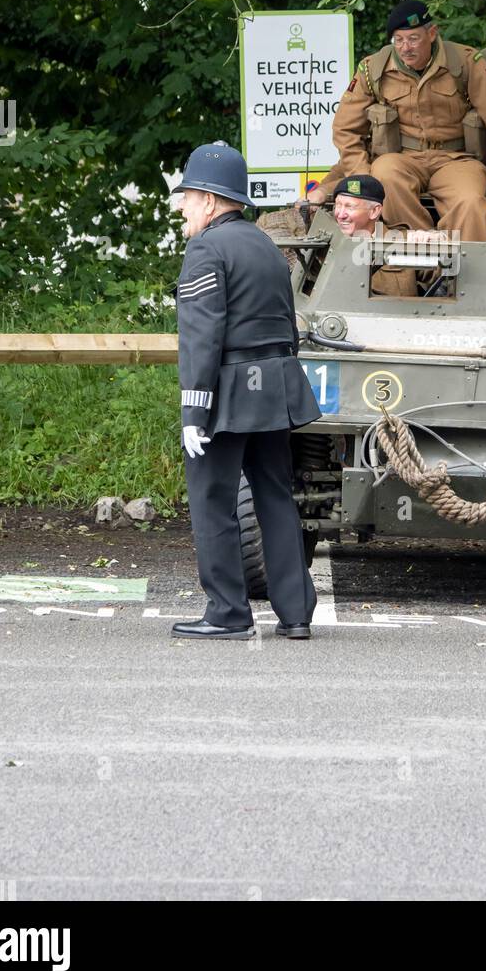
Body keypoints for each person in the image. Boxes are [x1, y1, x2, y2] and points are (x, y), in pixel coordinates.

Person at [171, 141, 321, 642]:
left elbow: (201, 337)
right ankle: (296, 612)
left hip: (229, 391)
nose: (182, 206)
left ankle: (228, 613)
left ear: (211, 200)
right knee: (275, 496)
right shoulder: (265, 246)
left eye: (188, 196)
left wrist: (194, 411)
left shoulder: (207, 248)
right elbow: (288, 326)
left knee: (213, 499)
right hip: (274, 387)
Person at [330, 0, 486, 240]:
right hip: (402, 158)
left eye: (413, 39)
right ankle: (423, 257)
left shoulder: (465, 62)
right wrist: (361, 179)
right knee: (385, 174)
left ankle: (466, 270)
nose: (405, 47)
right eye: (399, 40)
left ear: (432, 33)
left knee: (470, 202)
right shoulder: (373, 69)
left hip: (457, 159)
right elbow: (345, 129)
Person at [331, 174, 418, 297]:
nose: (340, 215)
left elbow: (443, 276)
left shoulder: (403, 243)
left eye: (349, 207)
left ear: (374, 211)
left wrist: (437, 240)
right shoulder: (326, 244)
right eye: (338, 205)